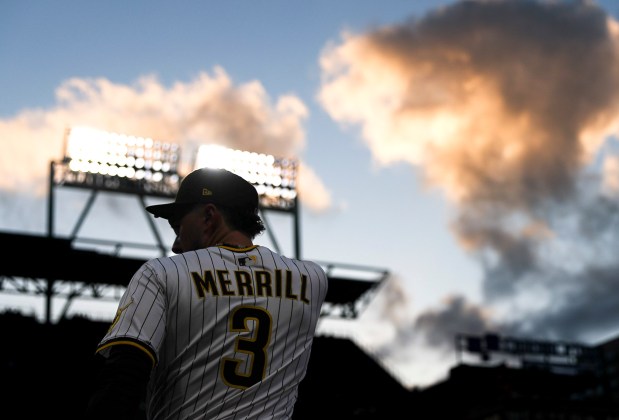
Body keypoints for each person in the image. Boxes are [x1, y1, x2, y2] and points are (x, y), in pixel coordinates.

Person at [86, 167, 329, 420]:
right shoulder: (312, 279)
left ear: (208, 216)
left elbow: (122, 380)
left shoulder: (161, 273)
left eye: (178, 227)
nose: (175, 244)